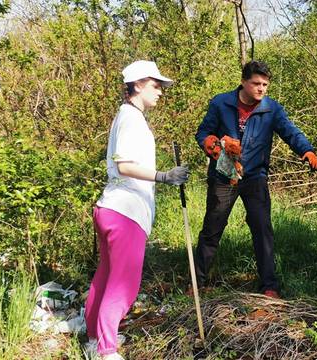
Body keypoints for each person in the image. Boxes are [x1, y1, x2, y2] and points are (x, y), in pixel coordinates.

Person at [85, 60, 190, 360]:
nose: (160, 92)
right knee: (124, 286)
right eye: (156, 86)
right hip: (126, 212)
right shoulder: (131, 118)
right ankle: (107, 351)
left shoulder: (127, 116)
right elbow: (125, 165)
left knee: (106, 277)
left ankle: (94, 340)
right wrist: (164, 176)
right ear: (138, 84)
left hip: (111, 208)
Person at [194, 60, 317, 298]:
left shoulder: (271, 109)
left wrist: (306, 149)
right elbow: (203, 131)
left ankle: (269, 286)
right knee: (213, 228)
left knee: (262, 229)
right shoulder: (221, 103)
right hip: (224, 176)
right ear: (243, 82)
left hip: (255, 176)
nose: (261, 89)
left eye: (265, 84)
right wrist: (210, 143)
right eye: (256, 84)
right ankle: (198, 281)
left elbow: (290, 131)